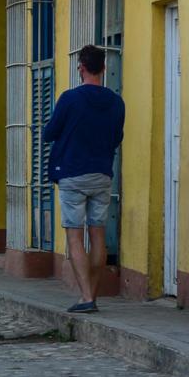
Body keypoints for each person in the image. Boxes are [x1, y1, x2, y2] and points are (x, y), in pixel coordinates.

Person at [44, 44, 126, 314]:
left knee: (75, 235)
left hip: (72, 175)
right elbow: (117, 138)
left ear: (81, 67)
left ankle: (86, 296)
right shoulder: (116, 102)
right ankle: (94, 294)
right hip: (102, 174)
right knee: (98, 233)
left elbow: (50, 132)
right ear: (104, 68)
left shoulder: (70, 99)